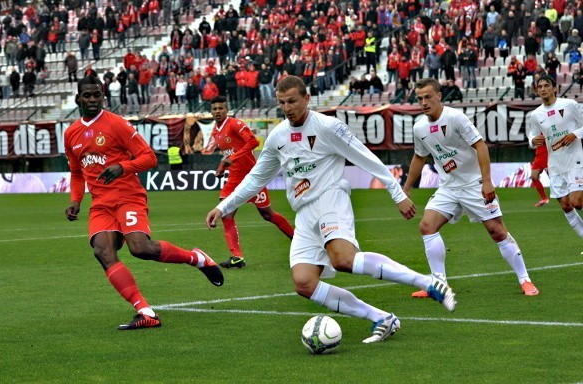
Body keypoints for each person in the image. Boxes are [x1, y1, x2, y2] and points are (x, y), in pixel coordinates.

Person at [205, 76, 456, 343]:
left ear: (306, 98)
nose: (287, 108)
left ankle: (429, 282)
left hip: (331, 199)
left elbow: (366, 158)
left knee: (343, 259)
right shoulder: (278, 136)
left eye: (292, 101)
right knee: (304, 283)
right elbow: (256, 178)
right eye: (282, 103)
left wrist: (397, 193)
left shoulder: (328, 127)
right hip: (304, 213)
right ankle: (381, 318)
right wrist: (224, 206)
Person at [64, 75, 224, 330]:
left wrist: (122, 167)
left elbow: (148, 158)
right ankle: (145, 311)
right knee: (102, 252)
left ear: (103, 97)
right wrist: (75, 200)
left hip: (128, 195)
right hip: (101, 203)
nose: (92, 99)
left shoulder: (116, 124)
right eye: (87, 95)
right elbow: (75, 172)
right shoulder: (71, 133)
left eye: (96, 95)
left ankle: (196, 258)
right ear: (78, 98)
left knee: (141, 249)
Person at [403, 78, 539, 297]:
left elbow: (480, 145)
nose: (424, 102)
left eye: (428, 97)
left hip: (473, 184)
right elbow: (419, 157)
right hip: (449, 187)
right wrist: (407, 188)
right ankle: (439, 284)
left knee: (497, 231)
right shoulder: (420, 128)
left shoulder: (456, 118)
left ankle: (525, 280)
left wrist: (486, 181)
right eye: (419, 98)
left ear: (439, 95)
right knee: (427, 226)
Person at [203, 96, 295, 268]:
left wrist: (234, 158)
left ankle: (297, 239)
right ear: (211, 111)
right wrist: (223, 166)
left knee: (268, 215)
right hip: (233, 179)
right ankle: (237, 256)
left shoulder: (235, 124)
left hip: (252, 177)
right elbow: (230, 153)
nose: (217, 111)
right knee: (225, 213)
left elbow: (253, 141)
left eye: (220, 108)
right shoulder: (216, 131)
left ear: (226, 109)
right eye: (214, 109)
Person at [529, 75, 583, 238]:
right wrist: (533, 140)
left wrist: (574, 134)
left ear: (555, 88)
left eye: (546, 85)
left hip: (575, 159)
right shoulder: (536, 115)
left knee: (576, 202)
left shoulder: (569, 105)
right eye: (540, 86)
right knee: (566, 206)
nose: (543, 89)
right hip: (555, 164)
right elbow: (531, 136)